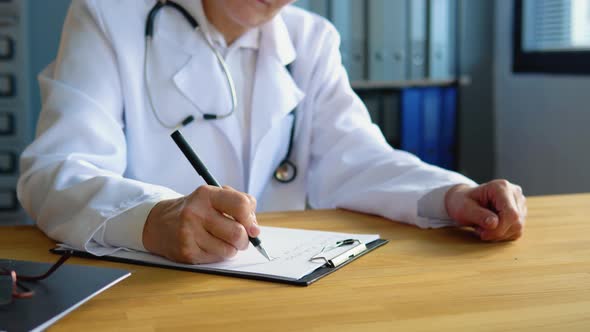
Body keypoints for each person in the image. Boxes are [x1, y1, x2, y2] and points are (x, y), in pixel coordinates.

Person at [18, 0, 526, 264]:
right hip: (144, 293)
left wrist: (450, 195)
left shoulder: (312, 39)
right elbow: (57, 172)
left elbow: (357, 157)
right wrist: (152, 219)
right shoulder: (108, 16)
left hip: (274, 288)